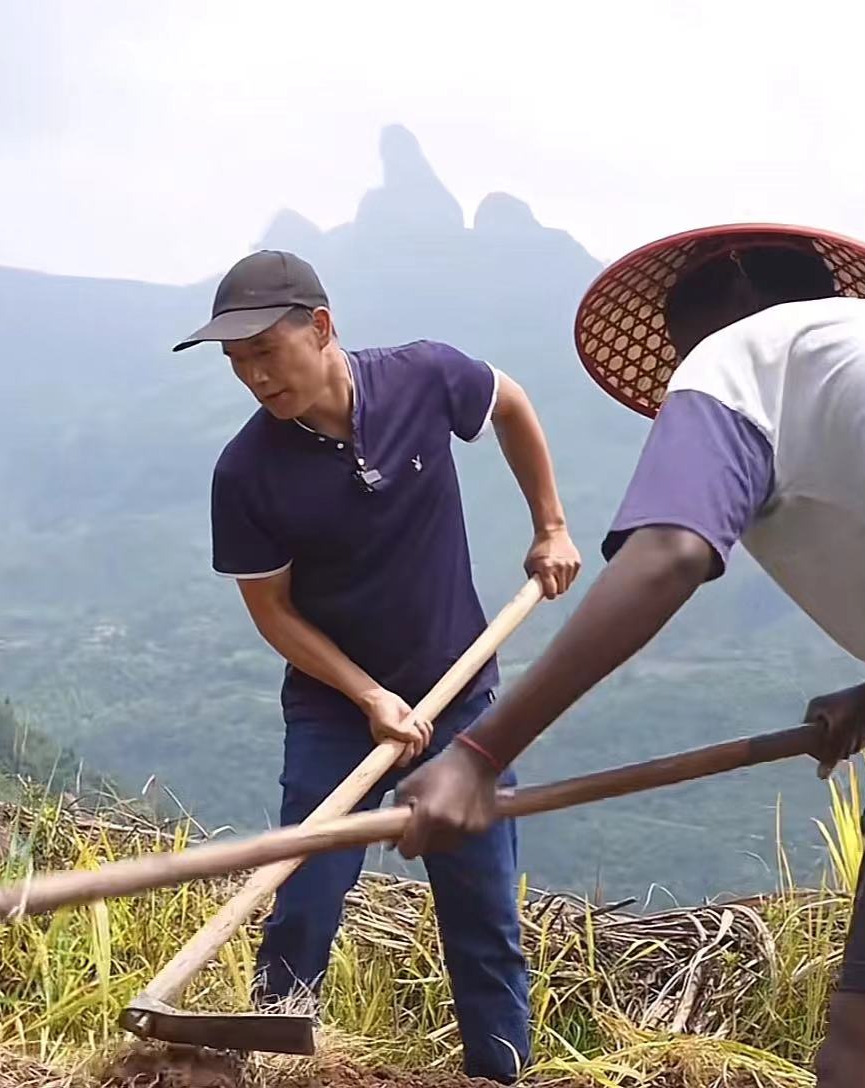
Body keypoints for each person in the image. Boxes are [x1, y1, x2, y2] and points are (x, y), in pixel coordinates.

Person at [393, 223, 865, 1088]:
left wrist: (481, 755)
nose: (678, 365)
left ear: (724, 308)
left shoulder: (740, 357)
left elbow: (672, 553)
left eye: (678, 340)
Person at [172, 249, 581, 1083]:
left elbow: (512, 403)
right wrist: (367, 694)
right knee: (305, 897)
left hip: (460, 693)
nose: (254, 377)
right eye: (236, 363)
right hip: (334, 708)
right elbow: (274, 614)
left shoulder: (424, 378)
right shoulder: (246, 473)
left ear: (321, 329)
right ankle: (274, 1063)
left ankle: (499, 1073)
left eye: (265, 353)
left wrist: (550, 524)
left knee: (483, 908)